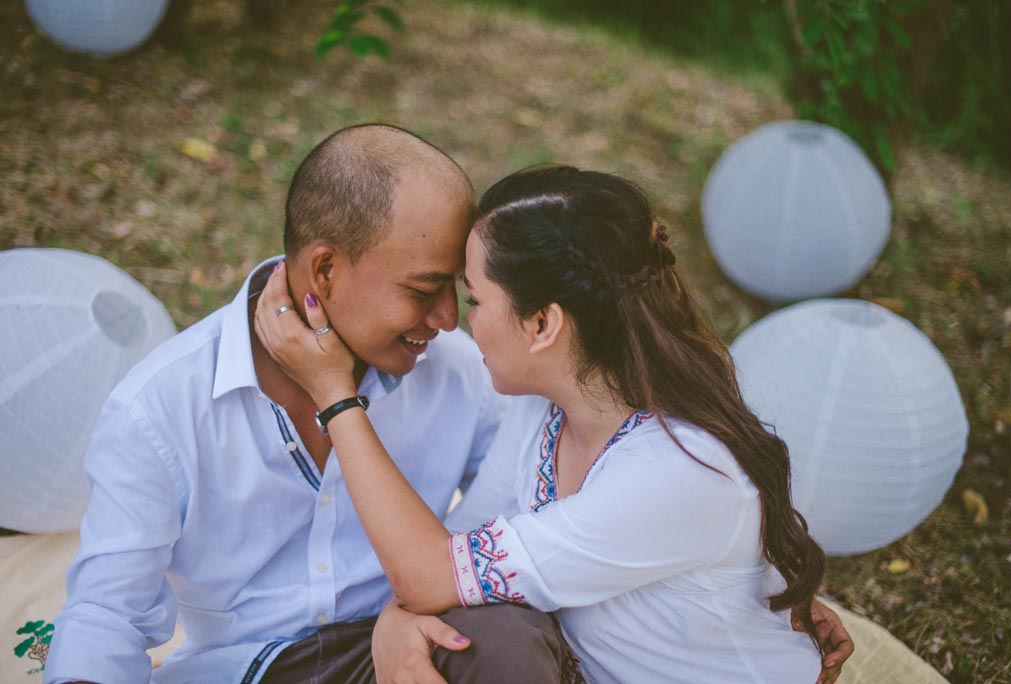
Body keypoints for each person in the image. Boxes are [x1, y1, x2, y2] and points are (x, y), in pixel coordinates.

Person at [257, 165, 854, 684]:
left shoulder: (672, 470)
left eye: (475, 302)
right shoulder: (544, 409)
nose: (455, 323)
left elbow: (431, 573)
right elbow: (452, 556)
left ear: (542, 323)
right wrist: (399, 613)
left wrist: (335, 396)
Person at [44, 125, 580, 684]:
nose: (448, 317)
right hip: (248, 668)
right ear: (325, 270)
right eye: (423, 291)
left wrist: (407, 610)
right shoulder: (160, 407)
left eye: (458, 288)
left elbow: (522, 507)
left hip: (404, 647)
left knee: (509, 644)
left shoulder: (458, 370)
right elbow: (107, 616)